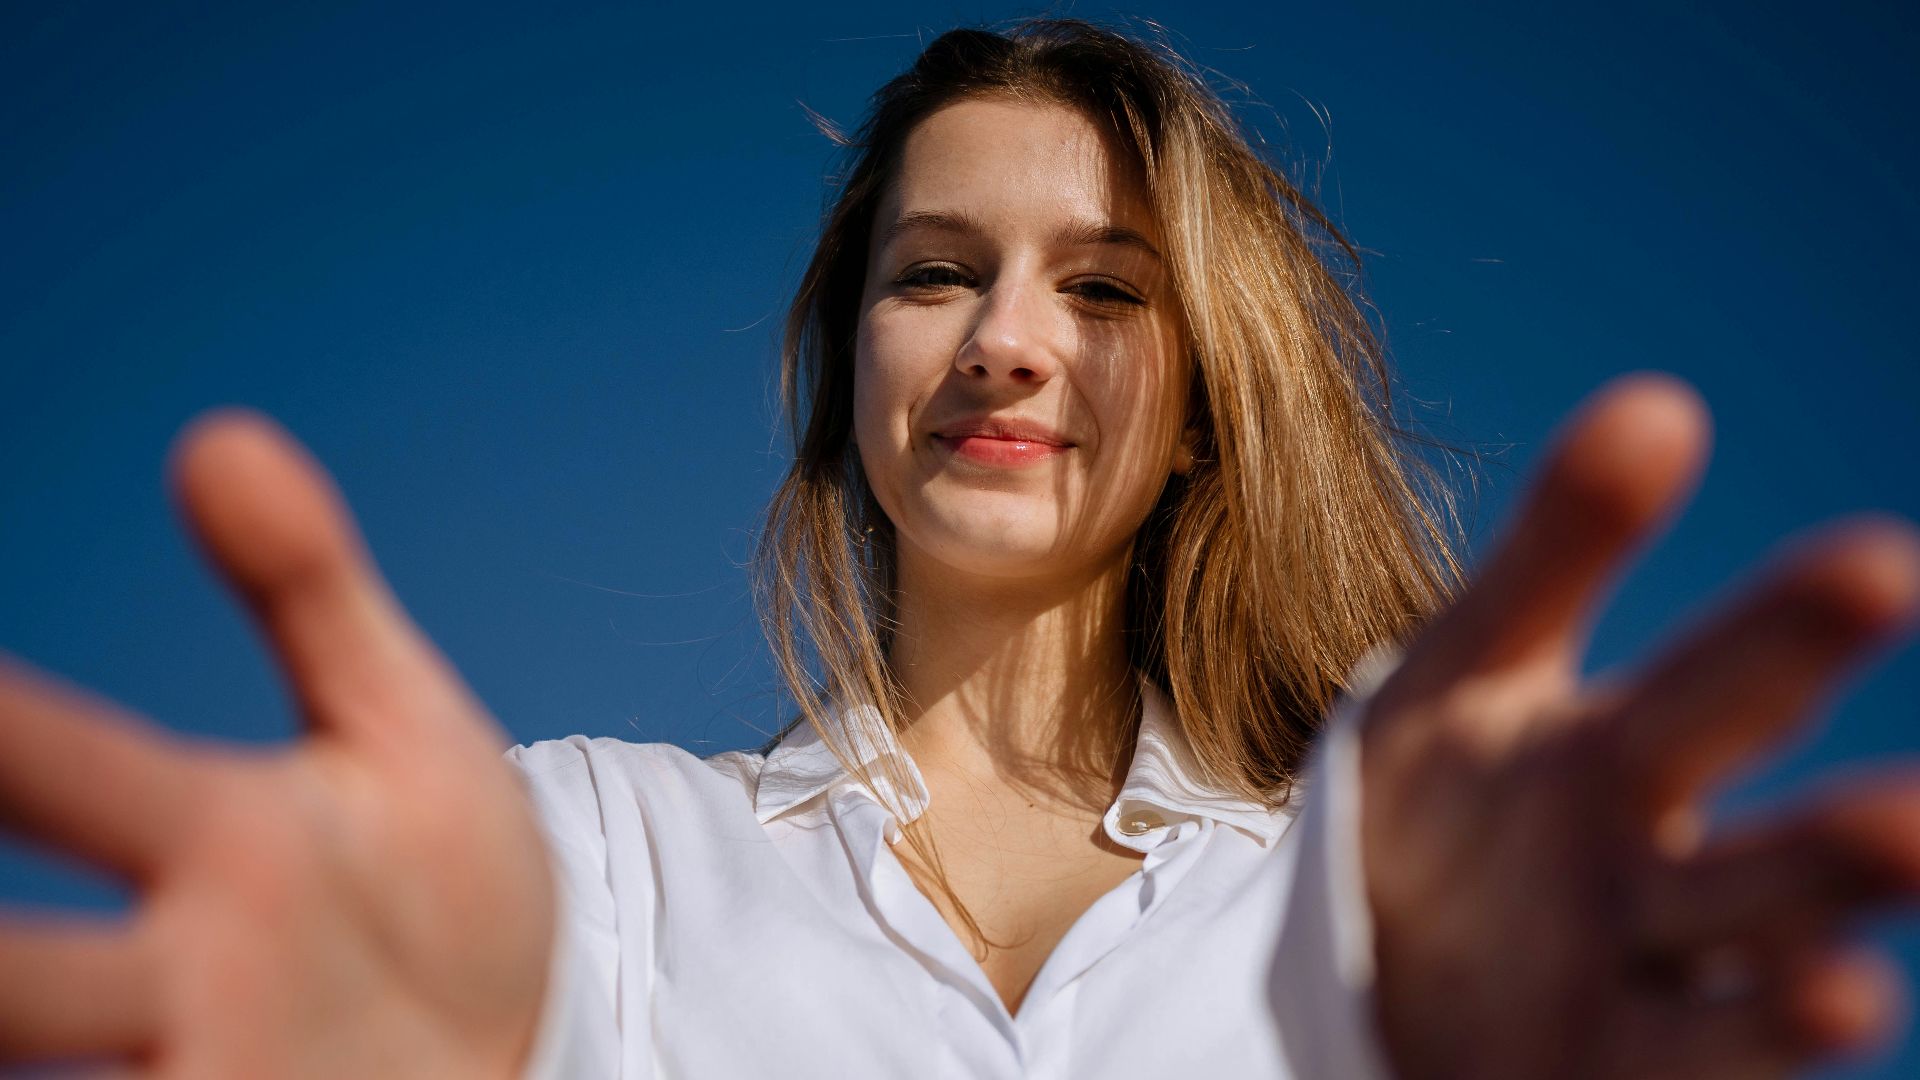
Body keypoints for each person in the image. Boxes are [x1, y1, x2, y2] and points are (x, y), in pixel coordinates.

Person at [2, 17, 1917, 1079]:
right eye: (937, 274)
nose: (1007, 335)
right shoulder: (587, 857)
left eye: (1103, 287)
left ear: (1203, 407)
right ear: (854, 369)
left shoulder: (1364, 908)